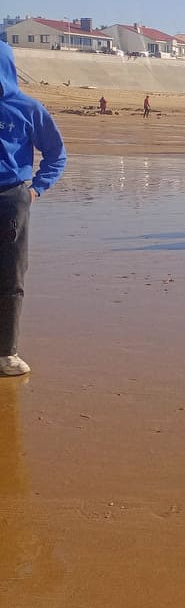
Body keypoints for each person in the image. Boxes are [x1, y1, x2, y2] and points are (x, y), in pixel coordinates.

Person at [0, 41, 67, 377]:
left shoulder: (27, 108)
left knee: (11, 275)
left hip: (11, 198)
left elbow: (56, 154)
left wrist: (36, 190)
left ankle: (6, 353)